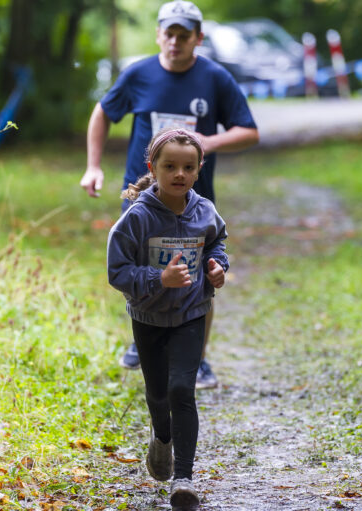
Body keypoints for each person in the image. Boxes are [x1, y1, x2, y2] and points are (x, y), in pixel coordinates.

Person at [80, 0, 258, 389]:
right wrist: (94, 165)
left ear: (198, 38)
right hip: (140, 197)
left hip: (193, 202)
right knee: (141, 269)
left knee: (200, 279)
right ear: (158, 34)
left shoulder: (215, 78)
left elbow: (249, 130)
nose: (175, 42)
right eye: (169, 34)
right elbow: (102, 113)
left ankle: (199, 360)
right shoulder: (138, 74)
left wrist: (206, 143)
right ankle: (141, 337)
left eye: (183, 35)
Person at [107, 128, 228, 508]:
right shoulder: (136, 218)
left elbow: (217, 242)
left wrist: (216, 267)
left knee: (182, 390)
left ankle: (184, 478)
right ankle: (161, 437)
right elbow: (117, 271)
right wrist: (159, 278)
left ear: (199, 169)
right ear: (153, 168)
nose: (179, 173)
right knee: (159, 393)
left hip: (192, 314)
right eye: (170, 166)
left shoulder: (204, 210)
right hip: (149, 317)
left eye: (188, 167)